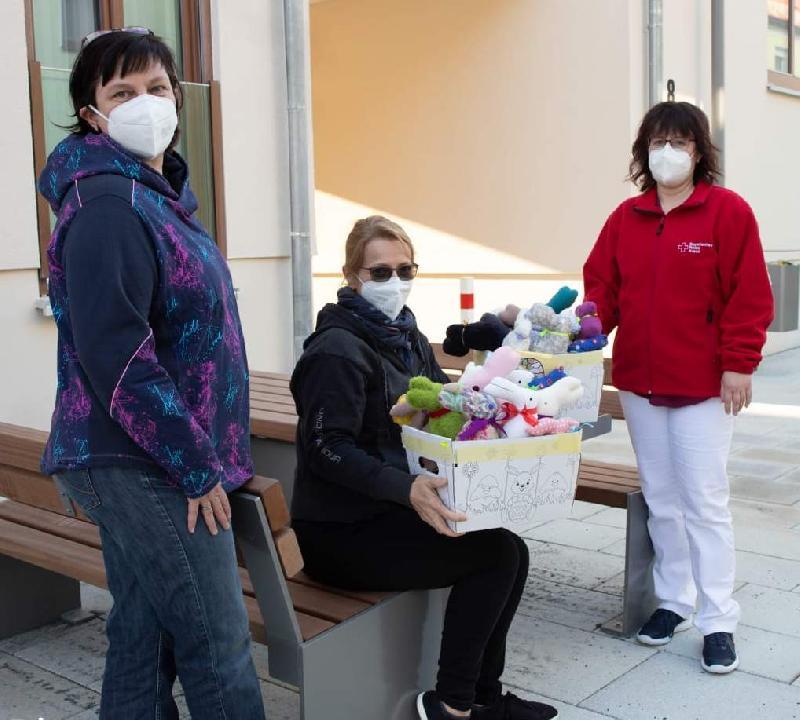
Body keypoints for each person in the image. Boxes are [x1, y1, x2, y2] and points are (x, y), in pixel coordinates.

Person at [39, 29, 265, 719]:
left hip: (151, 456)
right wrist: (196, 466)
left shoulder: (155, 196)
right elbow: (120, 357)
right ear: (92, 113)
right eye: (122, 92)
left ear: (177, 97)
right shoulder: (110, 203)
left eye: (158, 88)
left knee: (143, 631)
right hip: (148, 460)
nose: (146, 103)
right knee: (217, 643)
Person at [290, 215, 557, 720]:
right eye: (379, 273)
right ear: (352, 277)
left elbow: (441, 404)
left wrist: (500, 415)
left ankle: (482, 696)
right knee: (495, 554)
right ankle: (451, 707)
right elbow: (327, 449)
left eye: (403, 269)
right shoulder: (337, 351)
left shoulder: (406, 334)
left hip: (387, 509)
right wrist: (407, 487)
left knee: (510, 549)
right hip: (339, 531)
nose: (394, 282)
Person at [583, 101, 774, 674]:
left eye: (680, 142)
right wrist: (579, 335)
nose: (668, 152)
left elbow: (749, 296)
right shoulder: (626, 217)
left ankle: (719, 620)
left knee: (705, 502)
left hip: (703, 388)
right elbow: (601, 292)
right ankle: (673, 602)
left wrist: (738, 364)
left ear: (699, 152)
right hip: (640, 383)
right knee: (663, 501)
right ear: (644, 151)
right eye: (658, 142)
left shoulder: (727, 212)